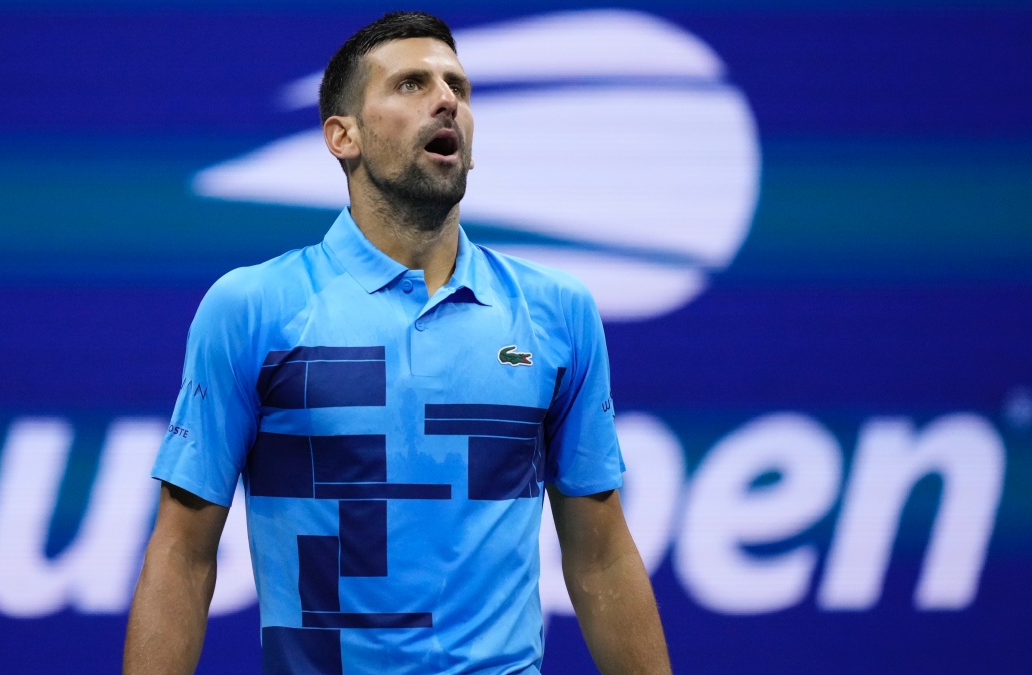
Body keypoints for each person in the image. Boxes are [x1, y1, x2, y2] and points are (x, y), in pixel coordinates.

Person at [124, 11, 671, 675]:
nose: (446, 100)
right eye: (411, 84)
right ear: (342, 136)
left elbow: (601, 552)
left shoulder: (558, 312)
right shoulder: (252, 308)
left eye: (458, 88)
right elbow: (182, 552)